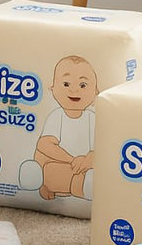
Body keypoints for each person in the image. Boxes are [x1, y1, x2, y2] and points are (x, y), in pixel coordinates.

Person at [24, 55, 97, 201]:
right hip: (60, 164)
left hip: (80, 168)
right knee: (52, 170)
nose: (74, 90)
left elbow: (101, 148)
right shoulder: (57, 116)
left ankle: (82, 186)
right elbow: (44, 145)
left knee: (96, 170)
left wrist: (88, 159)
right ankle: (41, 181)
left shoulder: (91, 118)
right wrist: (72, 160)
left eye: (83, 85)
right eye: (66, 84)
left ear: (96, 92)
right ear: (53, 89)